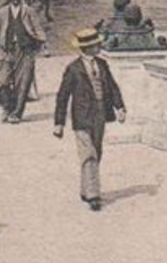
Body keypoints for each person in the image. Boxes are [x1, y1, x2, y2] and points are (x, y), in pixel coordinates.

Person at [53, 28, 126, 211]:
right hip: (82, 116)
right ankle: (94, 195)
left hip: (101, 113)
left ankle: (86, 189)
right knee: (88, 154)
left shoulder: (102, 64)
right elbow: (63, 96)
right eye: (96, 45)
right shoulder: (73, 69)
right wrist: (59, 122)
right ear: (87, 48)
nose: (99, 46)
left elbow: (112, 86)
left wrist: (120, 107)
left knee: (97, 151)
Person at [0, 0, 46, 123]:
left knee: (23, 83)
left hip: (24, 51)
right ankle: (7, 106)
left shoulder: (29, 11)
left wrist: (43, 44)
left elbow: (38, 29)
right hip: (5, 51)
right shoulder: (2, 12)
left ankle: (17, 114)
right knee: (0, 83)